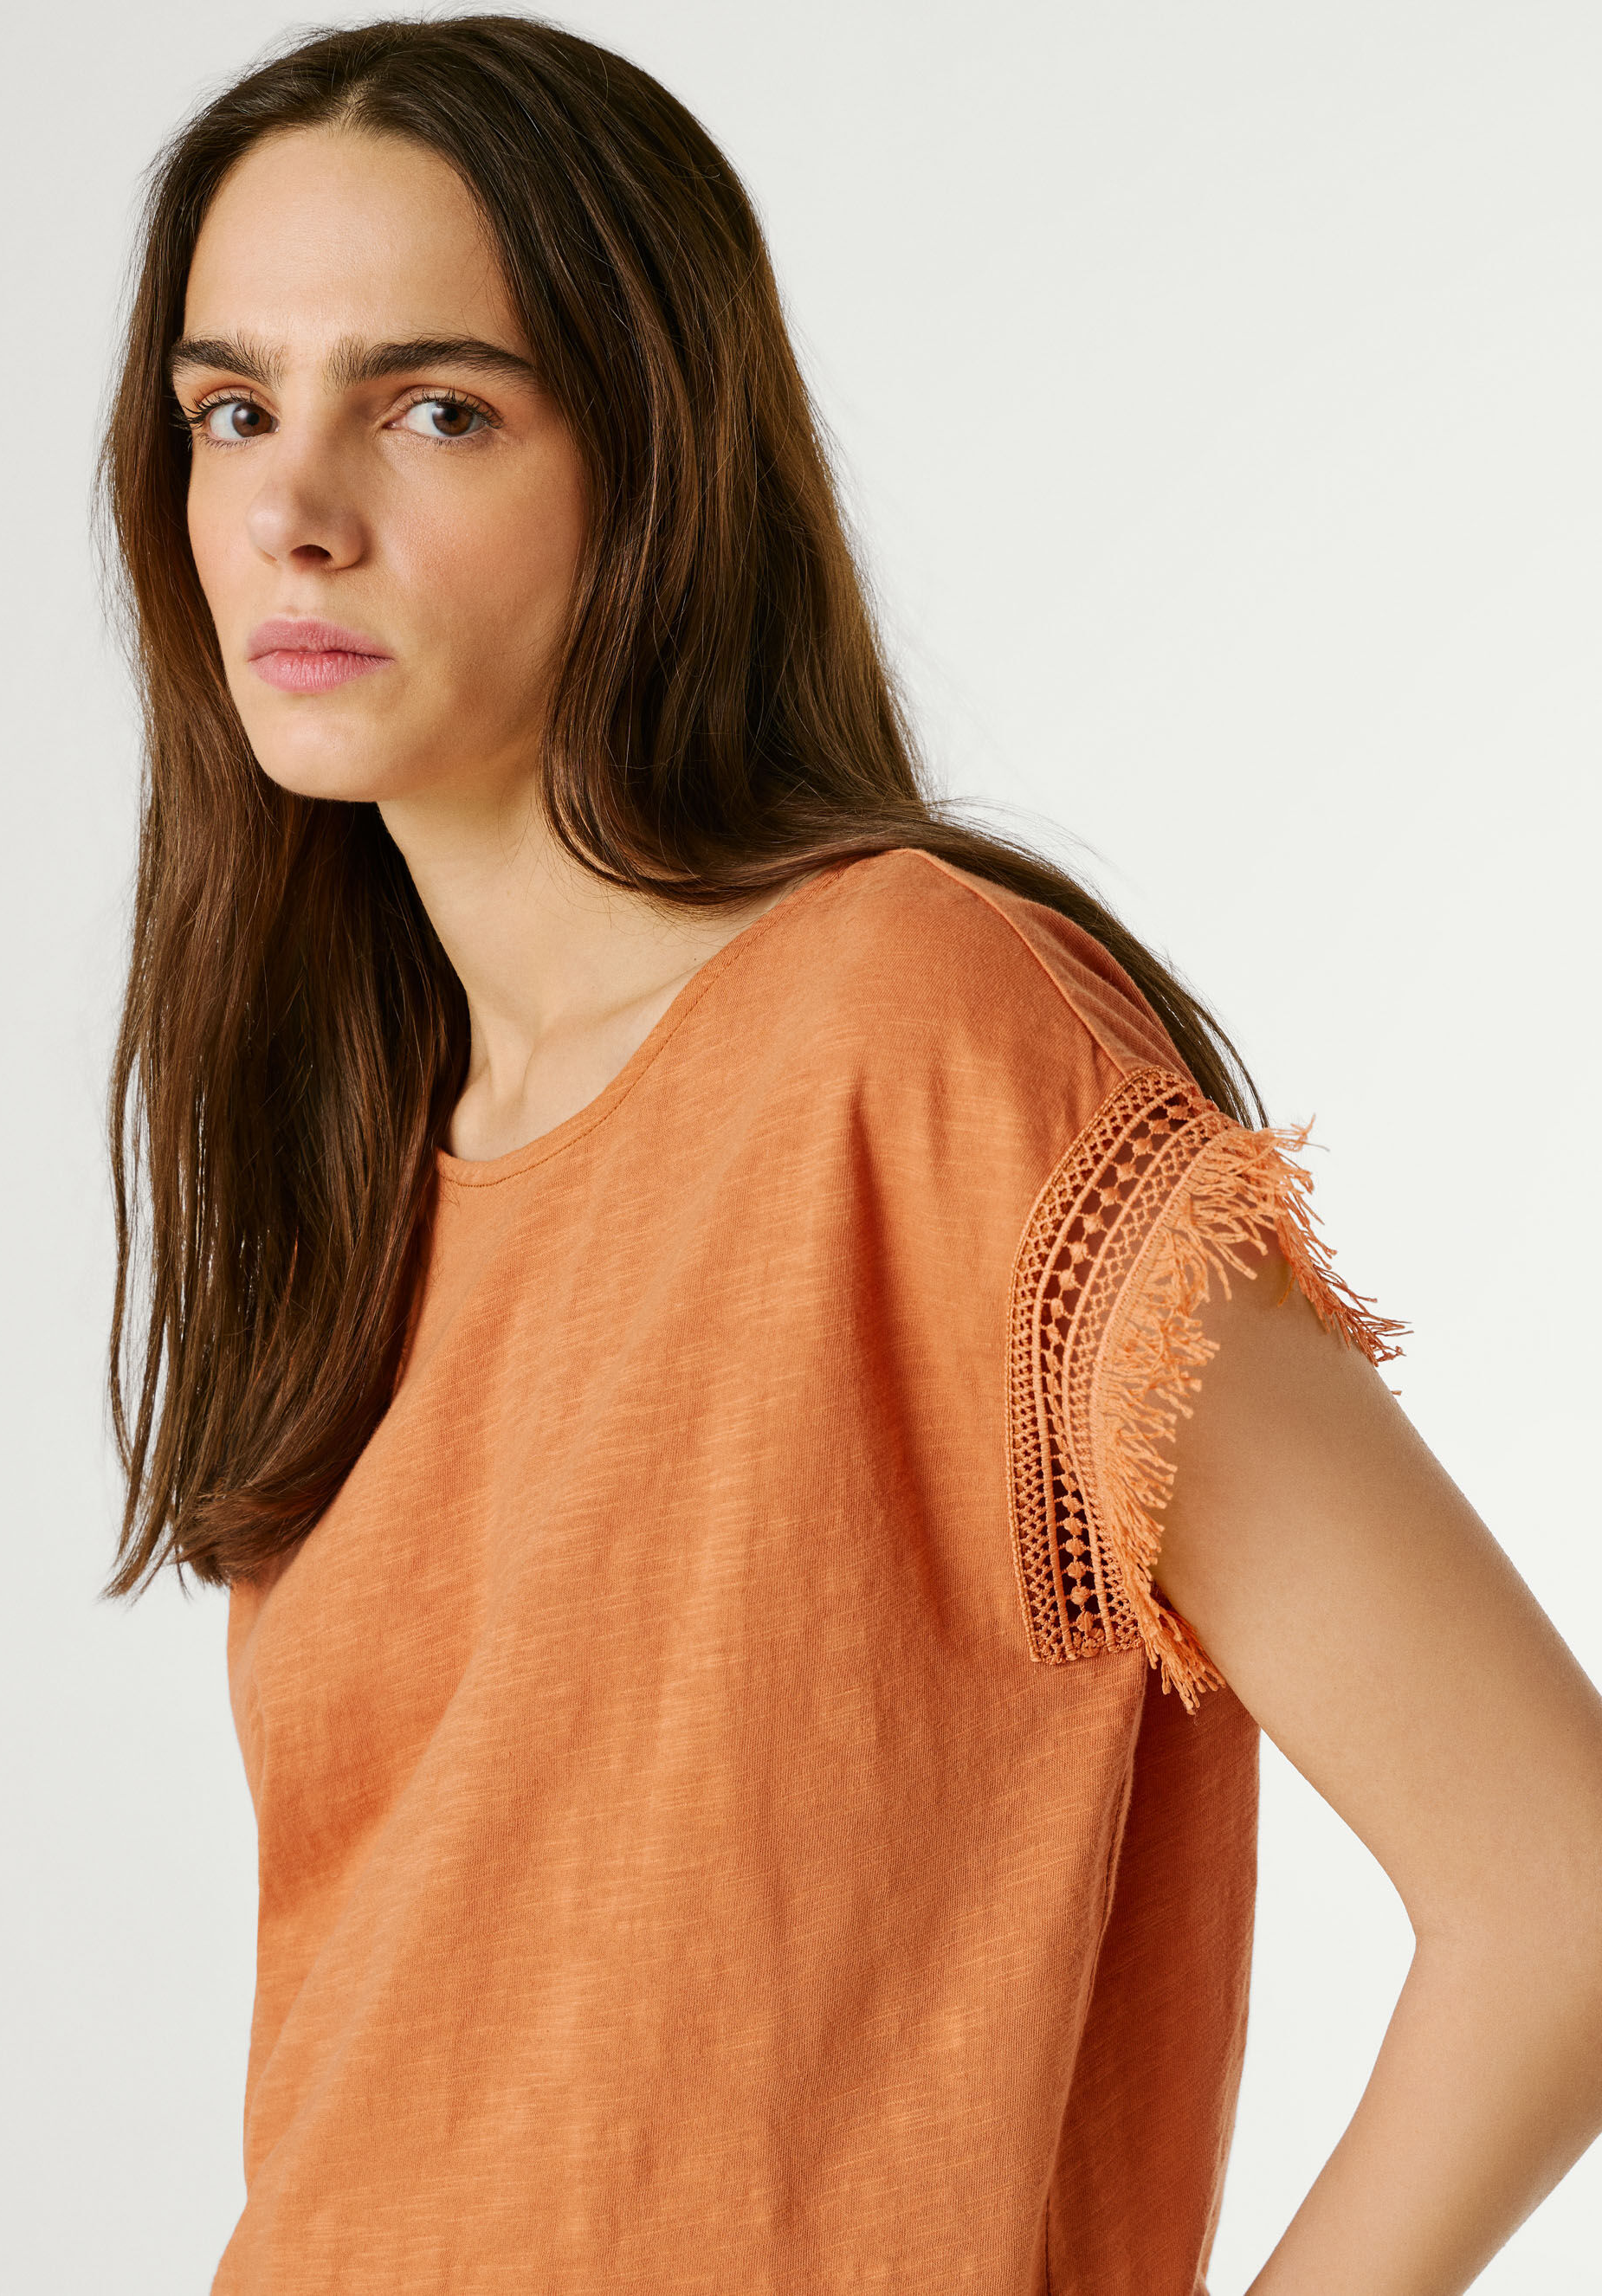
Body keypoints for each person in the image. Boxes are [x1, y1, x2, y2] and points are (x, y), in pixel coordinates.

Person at [101, 16, 1602, 2293]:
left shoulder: (912, 1031)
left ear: (655, 466)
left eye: (435, 409)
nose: (293, 506)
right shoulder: (373, 1137)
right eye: (232, 409)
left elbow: (1557, 1888)